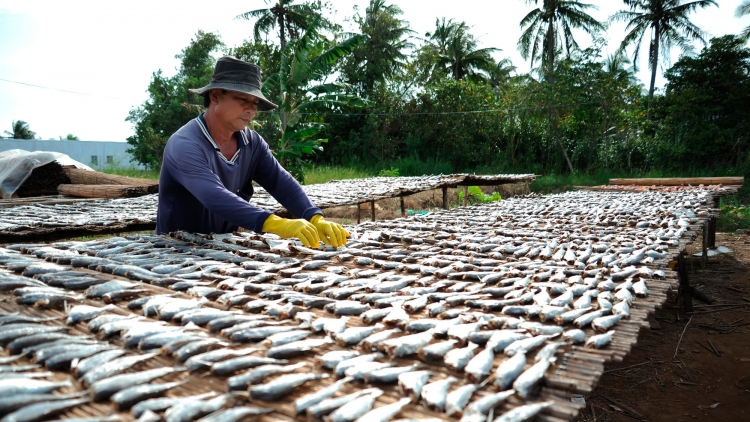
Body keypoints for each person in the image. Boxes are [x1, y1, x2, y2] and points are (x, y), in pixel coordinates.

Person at [156, 56, 348, 248]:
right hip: (176, 251)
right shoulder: (185, 145)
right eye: (242, 99)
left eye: (255, 103)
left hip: (222, 249)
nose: (250, 109)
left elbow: (280, 181)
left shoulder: (252, 143)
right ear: (215, 96)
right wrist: (276, 224)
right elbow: (214, 196)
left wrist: (314, 217)